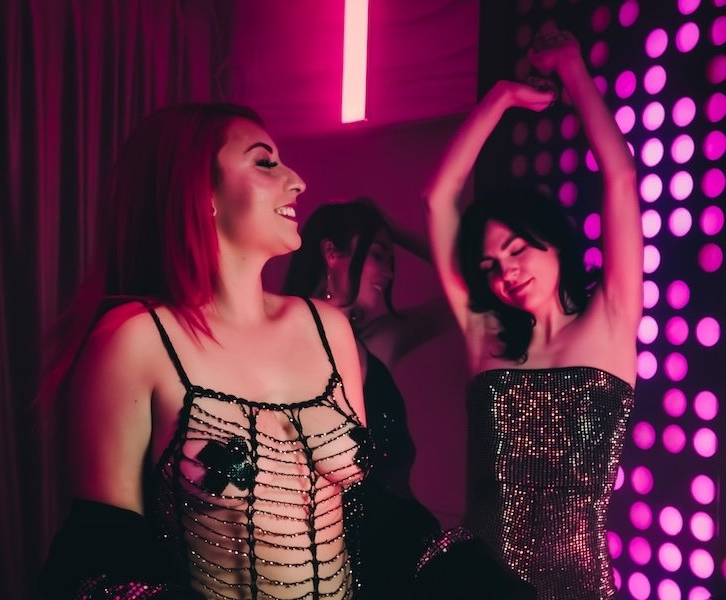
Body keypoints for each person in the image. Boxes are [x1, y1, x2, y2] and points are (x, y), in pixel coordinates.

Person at [37, 103, 371, 600]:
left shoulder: (329, 329)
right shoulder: (136, 340)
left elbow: (370, 515)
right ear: (201, 192)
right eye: (265, 162)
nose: (297, 181)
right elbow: (100, 556)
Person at [418, 27, 641, 599]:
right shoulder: (484, 333)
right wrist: (500, 98)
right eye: (491, 265)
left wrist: (572, 69)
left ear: (555, 243)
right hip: (475, 581)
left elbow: (620, 178)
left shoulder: (610, 319)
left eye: (517, 249)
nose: (507, 271)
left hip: (578, 587)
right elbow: (439, 198)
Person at [282, 198, 450, 598]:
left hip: (399, 550)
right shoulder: (278, 338)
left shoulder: (377, 342)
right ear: (331, 253)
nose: (389, 274)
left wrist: (392, 225)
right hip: (317, 558)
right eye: (377, 255)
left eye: (390, 261)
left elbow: (462, 289)